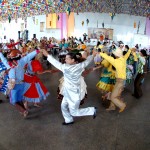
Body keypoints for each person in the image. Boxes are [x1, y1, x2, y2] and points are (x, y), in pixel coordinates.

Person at [42, 49, 97, 125]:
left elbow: (55, 63)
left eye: (67, 58)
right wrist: (93, 55)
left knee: (74, 112)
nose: (65, 60)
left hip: (74, 93)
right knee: (63, 106)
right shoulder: (79, 66)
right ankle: (68, 120)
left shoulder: (65, 67)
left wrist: (47, 55)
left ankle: (92, 110)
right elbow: (87, 61)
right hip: (67, 91)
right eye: (66, 58)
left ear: (73, 60)